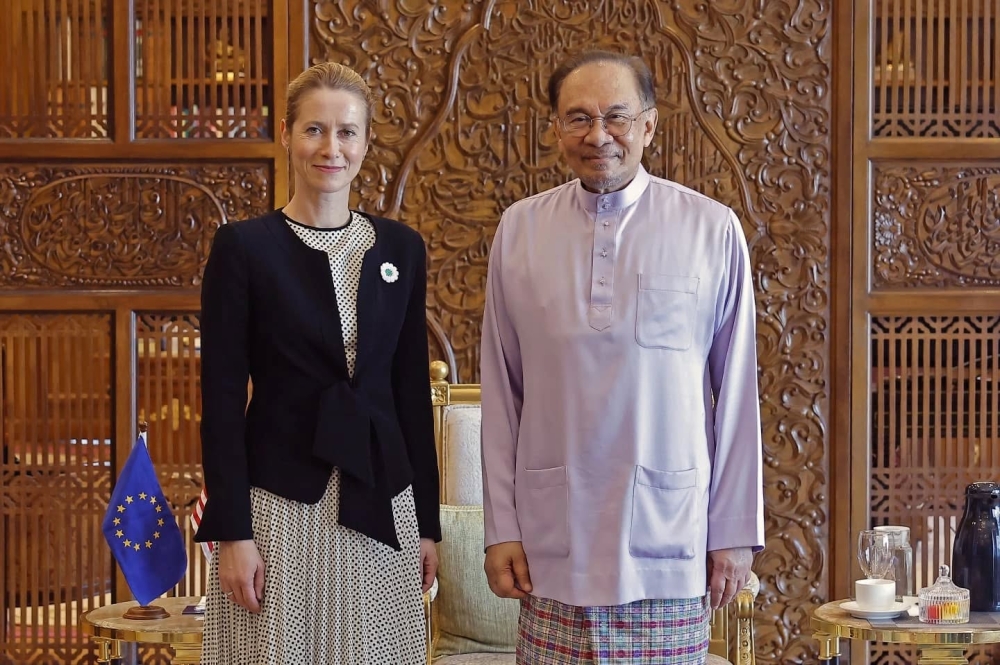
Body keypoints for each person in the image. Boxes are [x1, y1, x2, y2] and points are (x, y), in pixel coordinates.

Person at [480, 50, 764, 664]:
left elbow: (736, 396)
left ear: (649, 126)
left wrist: (736, 534)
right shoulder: (519, 231)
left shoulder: (711, 230)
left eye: (616, 116)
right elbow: (502, 393)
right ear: (555, 129)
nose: (598, 135)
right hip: (555, 538)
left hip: (669, 538)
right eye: (578, 118)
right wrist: (501, 526)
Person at [195, 61, 440, 665]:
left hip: (380, 496)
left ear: (365, 141)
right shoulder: (244, 247)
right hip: (279, 503)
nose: (331, 148)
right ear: (286, 133)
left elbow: (409, 392)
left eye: (347, 132)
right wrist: (233, 532)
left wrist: (427, 524)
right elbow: (222, 401)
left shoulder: (401, 249)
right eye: (314, 130)